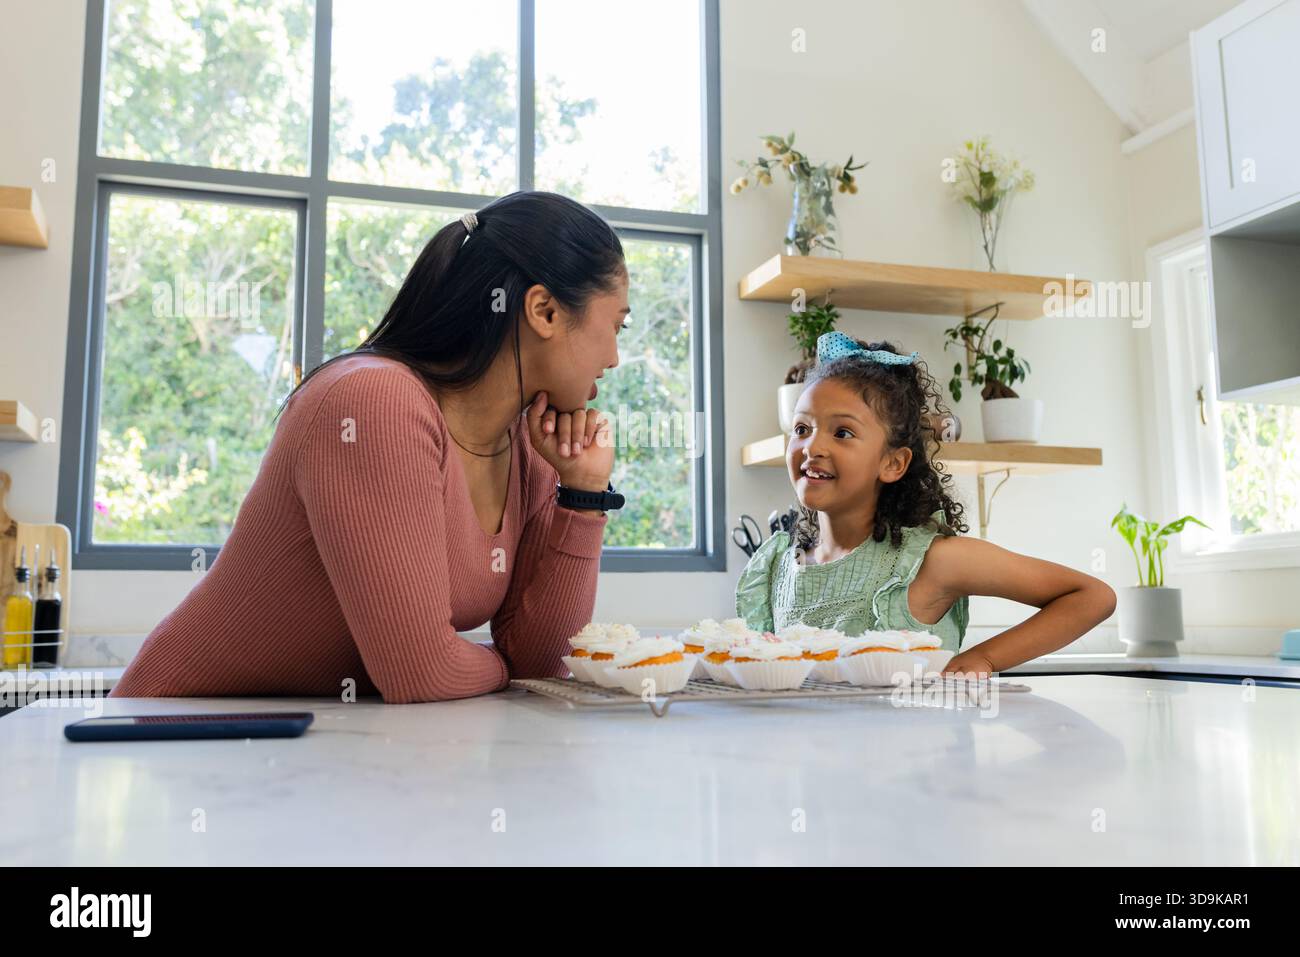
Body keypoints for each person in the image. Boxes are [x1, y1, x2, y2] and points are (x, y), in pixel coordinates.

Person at [112, 191, 629, 703]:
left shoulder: (529, 445)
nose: (615, 357)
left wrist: (583, 495)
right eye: (616, 325)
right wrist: (503, 666)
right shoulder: (373, 403)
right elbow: (421, 675)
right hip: (177, 740)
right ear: (543, 311)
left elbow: (545, 663)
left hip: (317, 749)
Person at [735, 331, 1115, 675]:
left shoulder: (931, 561)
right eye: (802, 429)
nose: (812, 447)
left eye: (843, 432)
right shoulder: (775, 565)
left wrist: (983, 657)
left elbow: (1092, 597)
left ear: (892, 463)